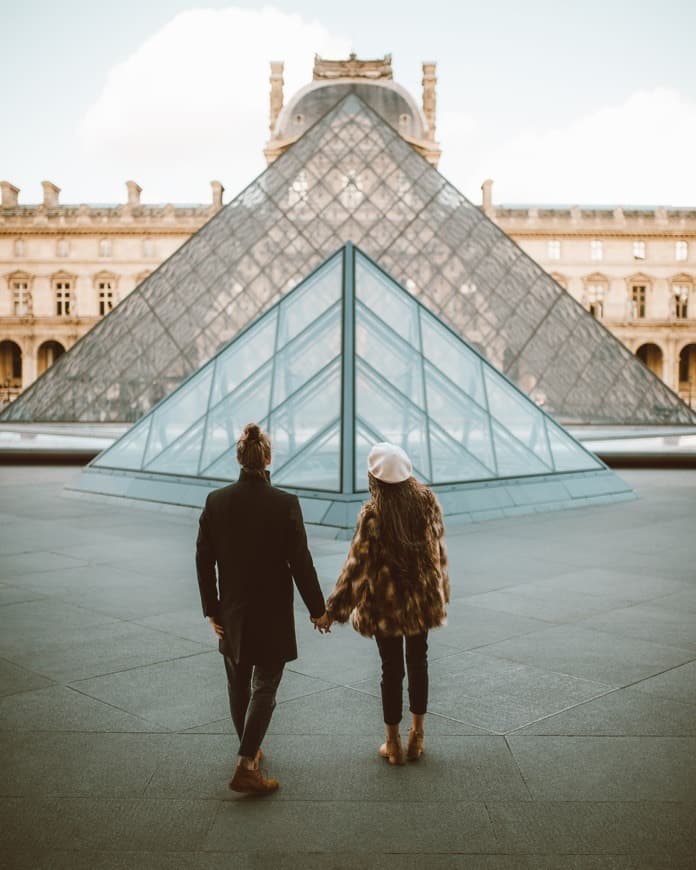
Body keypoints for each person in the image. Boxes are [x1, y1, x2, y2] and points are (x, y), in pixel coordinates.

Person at [196, 422, 331, 795]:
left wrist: (212, 610)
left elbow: (203, 561)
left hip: (233, 612)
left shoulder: (216, 501)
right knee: (265, 685)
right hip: (271, 612)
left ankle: (250, 750)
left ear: (238, 458)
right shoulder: (285, 504)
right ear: (269, 458)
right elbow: (300, 562)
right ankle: (245, 763)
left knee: (238, 686)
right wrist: (318, 610)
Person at [326, 442, 449, 765]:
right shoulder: (427, 502)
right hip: (421, 601)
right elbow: (439, 553)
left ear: (375, 479)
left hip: (385, 605)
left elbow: (356, 569)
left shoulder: (373, 514)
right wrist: (441, 593)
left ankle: (392, 744)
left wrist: (333, 611)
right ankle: (417, 737)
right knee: (419, 661)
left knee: (390, 670)